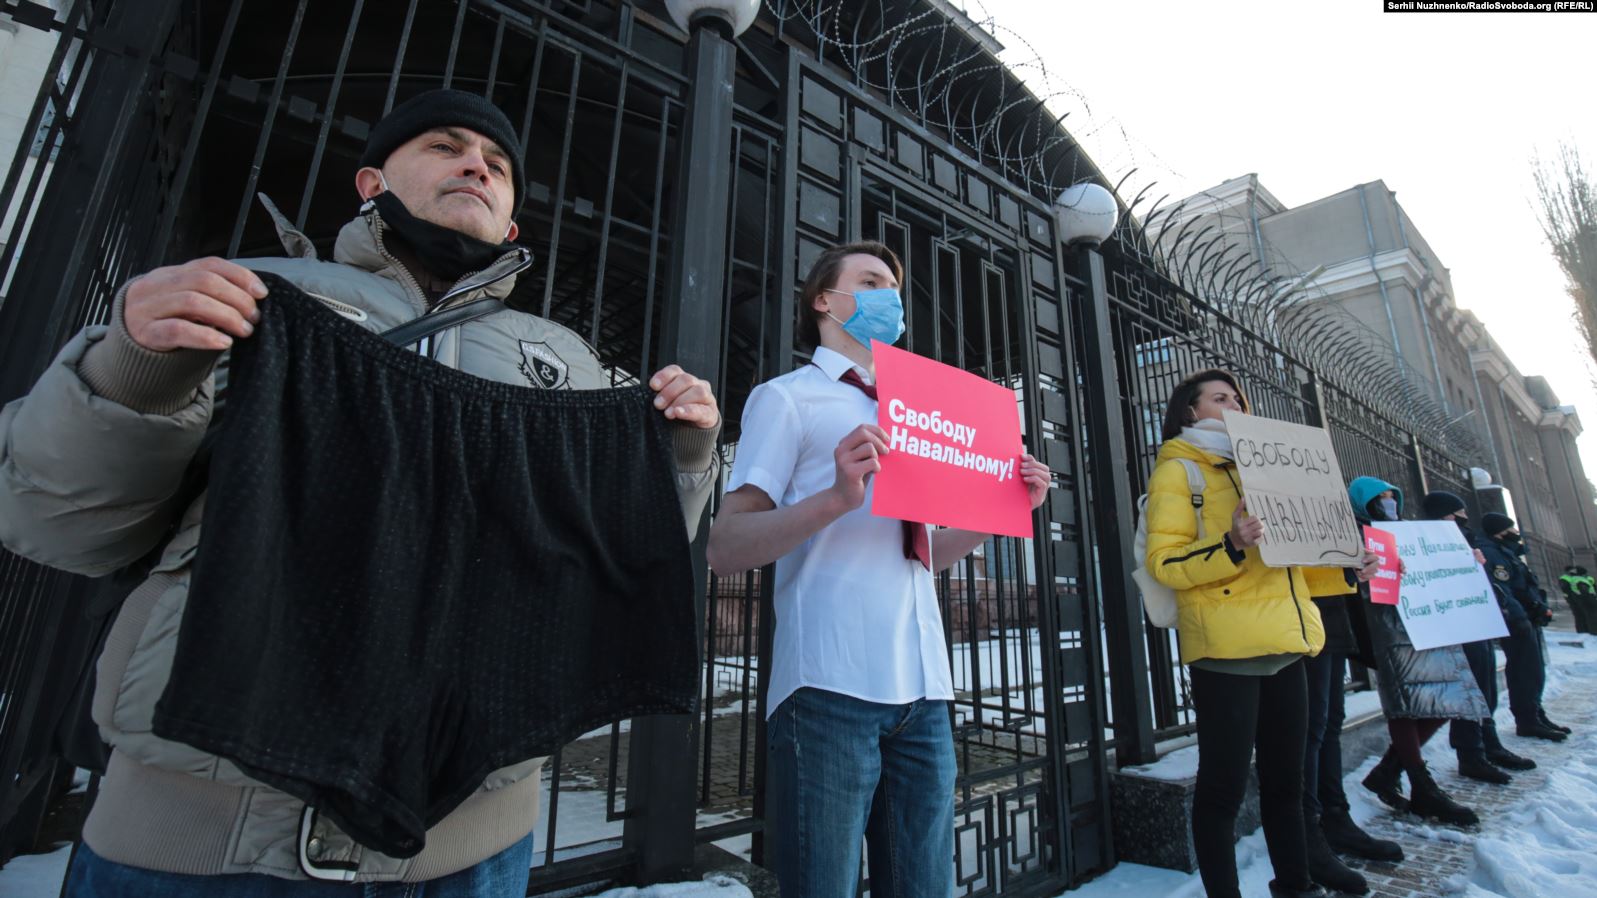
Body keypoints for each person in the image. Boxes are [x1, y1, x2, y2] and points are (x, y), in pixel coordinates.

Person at [0, 89, 721, 893]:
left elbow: (606, 550)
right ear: (371, 182)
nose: (475, 165)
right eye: (446, 147)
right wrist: (132, 373)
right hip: (209, 842)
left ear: (512, 227)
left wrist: (683, 456)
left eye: (497, 165)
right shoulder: (252, 296)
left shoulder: (566, 360)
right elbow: (61, 524)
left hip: (478, 846)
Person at [704, 241, 1053, 897]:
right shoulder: (788, 399)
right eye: (869, 282)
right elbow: (725, 547)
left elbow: (920, 556)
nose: (888, 296)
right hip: (828, 689)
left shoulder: (918, 415)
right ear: (823, 301)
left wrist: (1007, 505)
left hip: (923, 693)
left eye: (892, 286)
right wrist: (837, 497)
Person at [1144, 369, 1378, 898]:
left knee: (1287, 785)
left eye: (1239, 399)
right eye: (1220, 398)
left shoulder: (1269, 467)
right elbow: (1165, 564)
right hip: (1227, 651)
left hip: (1286, 644)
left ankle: (1296, 886)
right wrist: (1229, 543)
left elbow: (1295, 555)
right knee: (1222, 792)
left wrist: (1346, 565)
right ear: (1191, 411)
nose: (1235, 406)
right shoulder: (1180, 469)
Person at [1351, 477, 1488, 827]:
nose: (1387, 503)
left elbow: (1439, 563)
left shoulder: (1410, 533)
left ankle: (1388, 770)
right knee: (1403, 707)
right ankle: (1419, 781)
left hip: (1424, 624)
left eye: (1390, 496)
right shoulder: (1356, 532)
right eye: (1378, 498)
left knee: (1442, 700)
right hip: (1385, 629)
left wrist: (1466, 558)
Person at [1421, 492, 1538, 783]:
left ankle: (1489, 742)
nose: (1463, 516)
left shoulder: (1467, 540)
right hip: (1457, 624)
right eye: (1457, 512)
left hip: (1478, 620)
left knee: (1485, 685)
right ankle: (1471, 753)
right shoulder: (1428, 540)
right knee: (1469, 689)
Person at [1479, 513, 1572, 740]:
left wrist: (1538, 608)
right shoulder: (1492, 553)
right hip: (1516, 621)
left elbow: (1525, 586)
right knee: (1524, 670)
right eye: (1511, 528)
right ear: (1500, 530)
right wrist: (1520, 616)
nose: (1516, 533)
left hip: (1527, 619)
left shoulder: (1507, 551)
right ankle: (1527, 719)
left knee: (1534, 670)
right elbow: (1502, 589)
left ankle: (1535, 712)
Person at [1557, 564, 1597, 635]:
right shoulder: (1570, 579)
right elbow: (1567, 589)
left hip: (1579, 599)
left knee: (1584, 616)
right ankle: (1586, 631)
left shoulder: (1575, 579)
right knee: (1584, 616)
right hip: (1580, 599)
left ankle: (1585, 631)